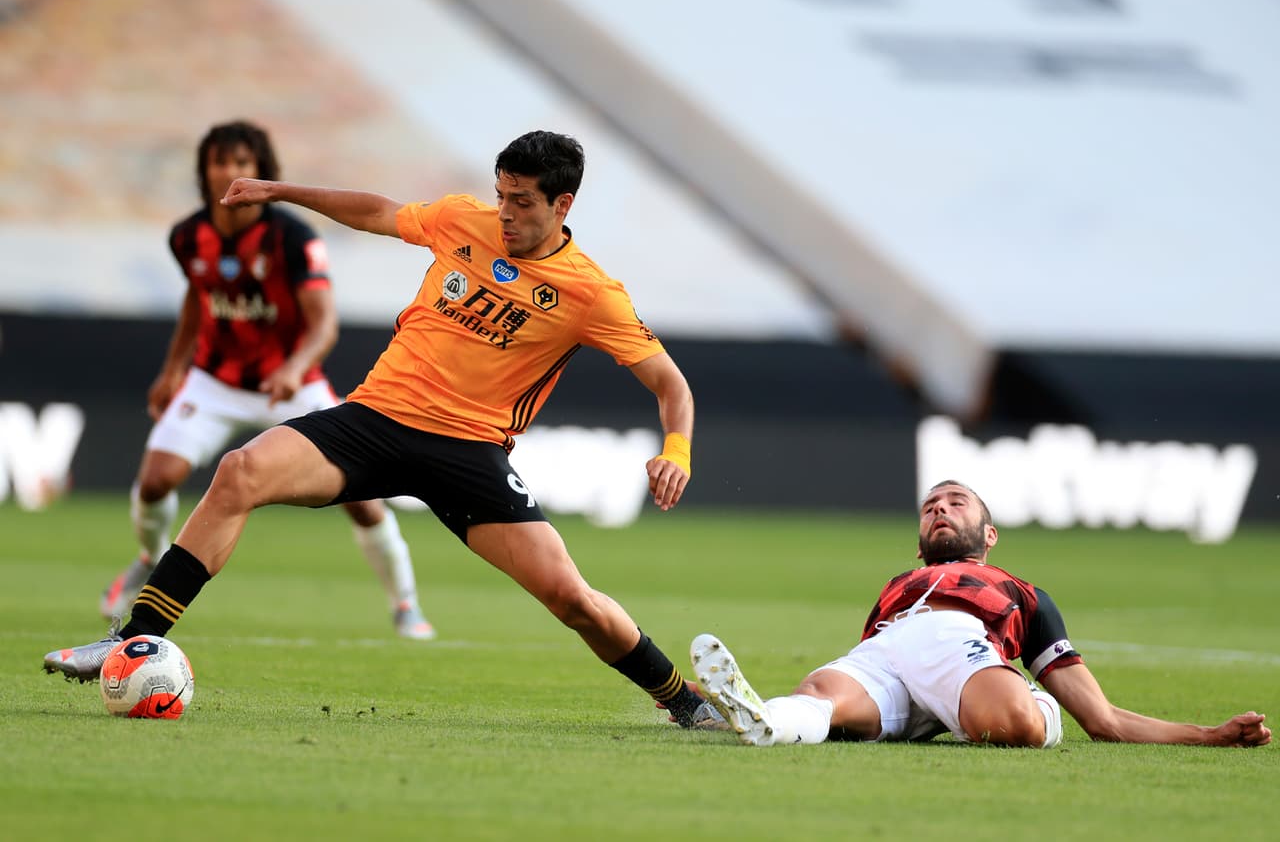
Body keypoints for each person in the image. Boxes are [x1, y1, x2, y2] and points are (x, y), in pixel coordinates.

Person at [44, 130, 713, 727]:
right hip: (374, 421)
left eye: (523, 202)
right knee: (239, 471)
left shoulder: (592, 293)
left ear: (562, 205)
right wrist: (281, 191)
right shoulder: (462, 219)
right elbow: (374, 211)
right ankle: (131, 638)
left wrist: (676, 452)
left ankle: (686, 701)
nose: (505, 213)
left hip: (468, 453)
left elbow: (671, 385)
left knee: (572, 600)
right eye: (501, 195)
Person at [95, 120, 434, 640]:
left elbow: (323, 323)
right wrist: (173, 369)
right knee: (156, 479)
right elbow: (197, 299)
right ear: (205, 170)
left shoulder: (293, 238)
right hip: (215, 382)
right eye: (220, 162)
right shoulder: (187, 236)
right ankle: (149, 558)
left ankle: (405, 602)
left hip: (291, 384)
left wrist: (295, 367)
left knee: (363, 500)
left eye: (241, 163)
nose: (229, 172)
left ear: (260, 171)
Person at [690, 480, 1272, 748]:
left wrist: (1209, 736)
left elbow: (1104, 720)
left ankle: (1036, 707)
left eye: (955, 502)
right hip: (888, 647)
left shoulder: (1023, 594)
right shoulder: (898, 587)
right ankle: (765, 720)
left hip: (961, 642)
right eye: (929, 507)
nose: (939, 509)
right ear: (920, 543)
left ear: (989, 534)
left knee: (1015, 727)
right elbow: (879, 652)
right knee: (822, 694)